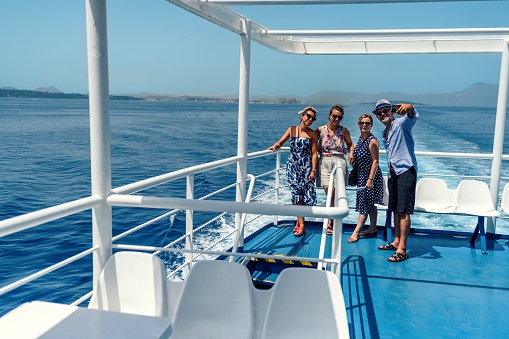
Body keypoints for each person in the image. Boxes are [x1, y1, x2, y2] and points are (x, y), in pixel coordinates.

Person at [373, 99, 418, 263]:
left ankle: (402, 249)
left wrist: (410, 107)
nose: (383, 114)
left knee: (404, 210)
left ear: (392, 111)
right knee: (395, 210)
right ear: (377, 117)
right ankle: (396, 241)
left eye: (386, 111)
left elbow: (411, 116)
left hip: (406, 170)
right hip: (393, 172)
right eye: (379, 113)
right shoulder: (384, 133)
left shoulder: (401, 124)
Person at [268, 106, 319, 237]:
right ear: (302, 116)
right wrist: (275, 146)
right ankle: (302, 225)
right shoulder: (292, 130)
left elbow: (314, 154)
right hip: (293, 167)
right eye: (308, 116)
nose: (310, 119)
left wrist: (313, 170)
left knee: (306, 197)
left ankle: (299, 220)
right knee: (296, 194)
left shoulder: (312, 134)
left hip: (306, 167)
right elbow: (281, 141)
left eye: (313, 118)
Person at [315, 104, 354, 235]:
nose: (336, 119)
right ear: (329, 116)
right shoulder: (320, 130)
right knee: (329, 191)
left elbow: (350, 144)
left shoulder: (344, 131)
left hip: (339, 161)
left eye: (339, 117)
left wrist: (352, 153)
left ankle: (331, 220)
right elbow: (313, 147)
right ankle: (331, 218)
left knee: (337, 192)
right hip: (324, 161)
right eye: (334, 116)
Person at [348, 114, 383, 243]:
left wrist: (370, 179)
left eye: (367, 123)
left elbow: (375, 162)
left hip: (370, 177)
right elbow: (355, 149)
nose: (364, 125)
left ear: (371, 125)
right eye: (362, 123)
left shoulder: (372, 141)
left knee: (364, 204)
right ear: (358, 124)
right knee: (370, 204)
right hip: (362, 176)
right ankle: (373, 227)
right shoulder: (361, 139)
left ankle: (356, 232)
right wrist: (352, 153)